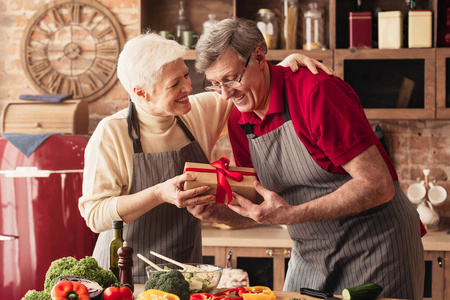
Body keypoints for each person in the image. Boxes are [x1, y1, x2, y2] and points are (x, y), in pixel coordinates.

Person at [190, 18, 425, 299]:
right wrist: (216, 212)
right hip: (310, 252)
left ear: (259, 57)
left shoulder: (316, 93)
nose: (226, 95)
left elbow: (377, 185)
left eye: (231, 79)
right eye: (215, 84)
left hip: (376, 244)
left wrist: (292, 214)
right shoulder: (240, 119)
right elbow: (261, 207)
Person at [78, 32, 333, 283]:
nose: (187, 88)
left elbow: (253, 83)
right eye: (174, 84)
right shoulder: (111, 134)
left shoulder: (200, 110)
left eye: (186, 75)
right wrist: (158, 194)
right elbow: (95, 215)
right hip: (125, 276)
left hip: (187, 272)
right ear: (141, 92)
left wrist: (285, 65)